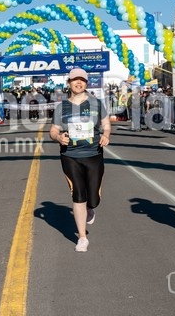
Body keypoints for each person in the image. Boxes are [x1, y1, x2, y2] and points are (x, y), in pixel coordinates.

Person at [49, 68, 111, 252]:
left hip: (93, 154)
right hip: (70, 156)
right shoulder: (61, 107)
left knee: (93, 199)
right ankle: (82, 238)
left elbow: (106, 124)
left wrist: (106, 135)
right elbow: (53, 130)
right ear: (69, 83)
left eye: (82, 80)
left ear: (86, 83)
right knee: (78, 194)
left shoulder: (96, 104)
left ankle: (90, 208)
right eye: (74, 79)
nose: (78, 82)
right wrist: (58, 137)